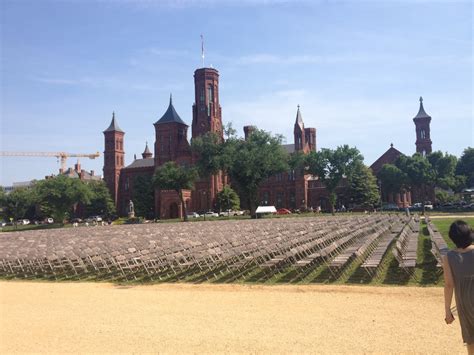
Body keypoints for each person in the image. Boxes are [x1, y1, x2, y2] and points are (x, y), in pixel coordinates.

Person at [442, 220, 474, 354]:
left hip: (464, 302)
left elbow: (449, 285)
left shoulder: (448, 257)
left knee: (470, 338)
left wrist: (448, 310)